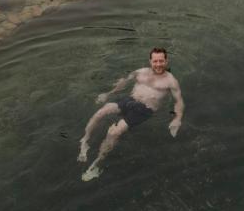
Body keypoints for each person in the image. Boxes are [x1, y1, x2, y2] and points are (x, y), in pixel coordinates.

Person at [78, 47, 185, 181]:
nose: (158, 64)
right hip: (129, 100)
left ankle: (96, 164)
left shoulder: (171, 81)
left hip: (145, 110)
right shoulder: (141, 72)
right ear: (150, 61)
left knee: (114, 133)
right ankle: (85, 141)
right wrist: (108, 94)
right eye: (155, 61)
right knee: (100, 112)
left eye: (161, 61)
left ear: (166, 61)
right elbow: (124, 81)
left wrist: (177, 118)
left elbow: (179, 101)